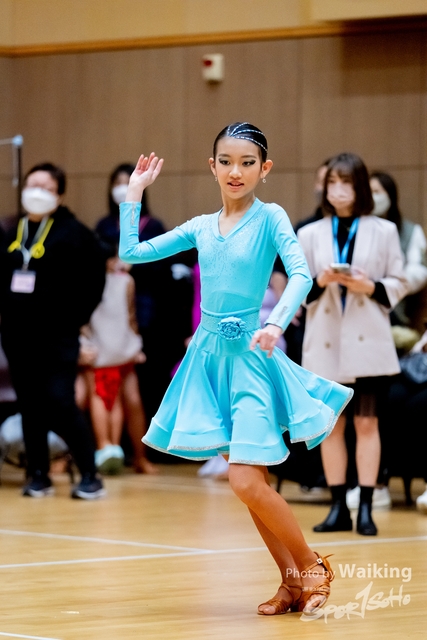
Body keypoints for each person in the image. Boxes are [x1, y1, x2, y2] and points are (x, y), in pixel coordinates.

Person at [119, 122, 353, 617]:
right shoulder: (201, 226)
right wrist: (134, 195)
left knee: (245, 481)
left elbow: (301, 274)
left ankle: (312, 567)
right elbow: (131, 253)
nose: (236, 171)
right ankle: (291, 583)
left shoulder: (271, 217)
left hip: (251, 358)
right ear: (213, 166)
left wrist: (275, 322)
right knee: (254, 487)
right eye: (226, 161)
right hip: (209, 365)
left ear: (264, 169)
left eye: (248, 162)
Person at [297, 153, 409, 536]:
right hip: (325, 341)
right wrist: (321, 280)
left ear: (360, 186)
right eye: (332, 182)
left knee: (366, 423)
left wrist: (369, 286)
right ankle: (336, 508)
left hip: (368, 343)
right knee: (331, 426)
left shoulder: (384, 230)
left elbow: (399, 281)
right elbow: (298, 291)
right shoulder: (309, 233)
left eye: (346, 182)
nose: (338, 190)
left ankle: (365, 507)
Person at [0, 162, 106, 499]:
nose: (37, 192)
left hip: (57, 336)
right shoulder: (12, 231)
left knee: (60, 401)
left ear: (59, 196)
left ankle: (90, 474)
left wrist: (76, 318)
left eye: (46, 188)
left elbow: (95, 280)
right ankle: (38, 474)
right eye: (32, 185)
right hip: (17, 335)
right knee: (30, 405)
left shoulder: (75, 233)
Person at [96, 164, 177, 451]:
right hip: (109, 315)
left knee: (143, 386)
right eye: (116, 182)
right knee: (109, 389)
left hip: (145, 312)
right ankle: (114, 448)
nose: (121, 187)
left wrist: (133, 267)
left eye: (126, 182)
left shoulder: (153, 226)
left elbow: (164, 270)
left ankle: (146, 450)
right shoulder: (103, 227)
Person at [81, 247, 156, 475]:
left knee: (125, 400)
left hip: (118, 351)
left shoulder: (124, 281)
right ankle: (105, 447)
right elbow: (81, 319)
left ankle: (123, 453)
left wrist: (135, 345)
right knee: (103, 399)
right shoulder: (86, 281)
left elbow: (131, 316)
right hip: (100, 352)